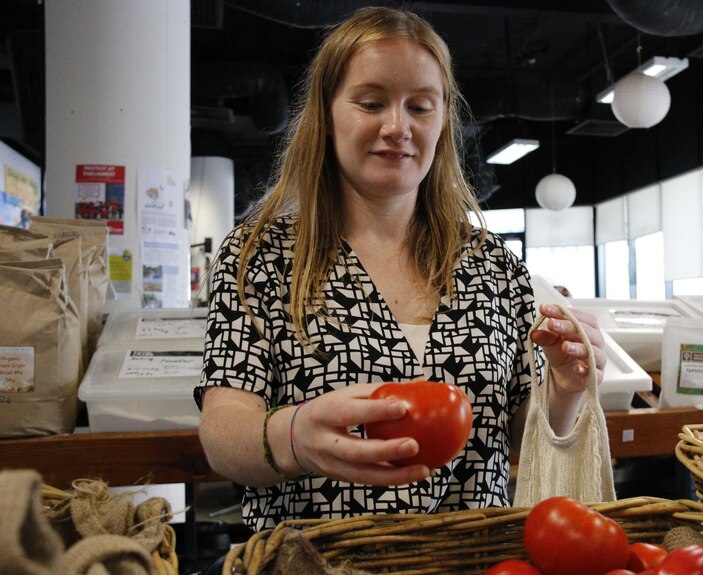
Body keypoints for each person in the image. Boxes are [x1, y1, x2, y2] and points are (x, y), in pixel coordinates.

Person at [195, 6, 608, 532]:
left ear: (441, 121)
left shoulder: (493, 266)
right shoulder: (261, 258)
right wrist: (293, 436)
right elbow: (223, 430)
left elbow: (519, 434)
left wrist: (565, 388)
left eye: (420, 106)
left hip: (470, 559)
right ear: (327, 114)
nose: (397, 127)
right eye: (371, 103)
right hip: (318, 563)